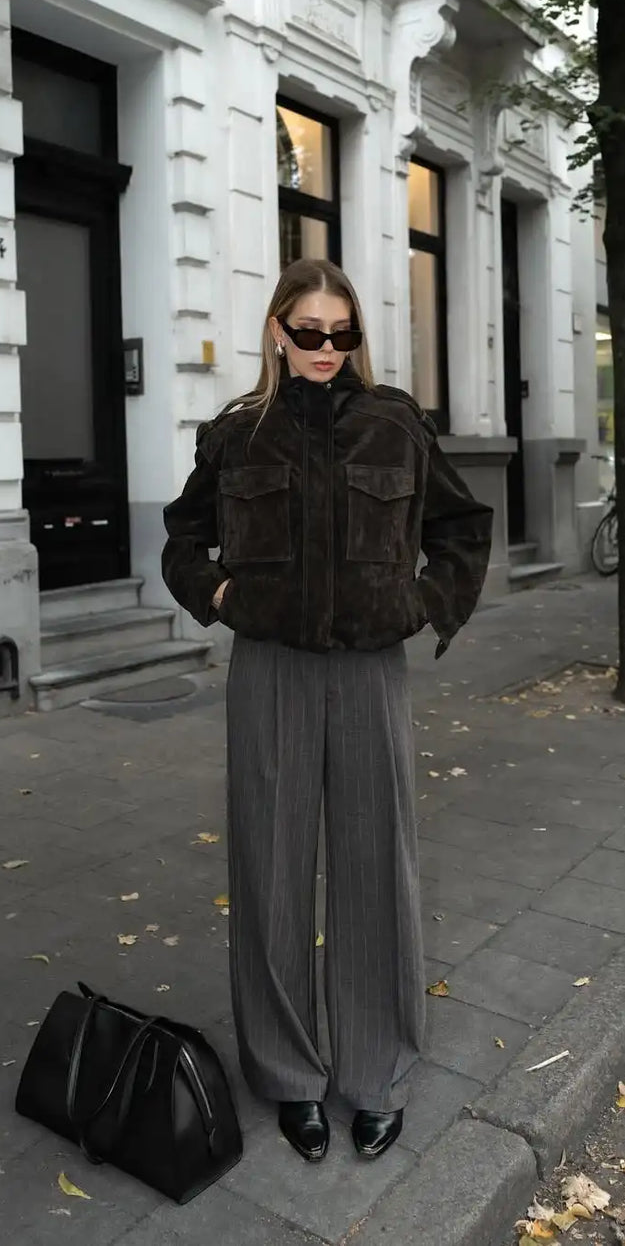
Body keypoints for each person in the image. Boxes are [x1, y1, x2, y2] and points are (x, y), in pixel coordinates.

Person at [162, 258, 493, 1163]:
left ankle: (374, 1071)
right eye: (307, 331)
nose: (325, 349)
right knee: (270, 863)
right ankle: (289, 1074)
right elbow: (182, 538)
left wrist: (422, 604)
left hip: (368, 672)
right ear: (277, 330)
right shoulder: (237, 433)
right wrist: (221, 597)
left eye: (340, 333)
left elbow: (463, 530)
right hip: (269, 668)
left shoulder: (395, 423)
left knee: (376, 862)